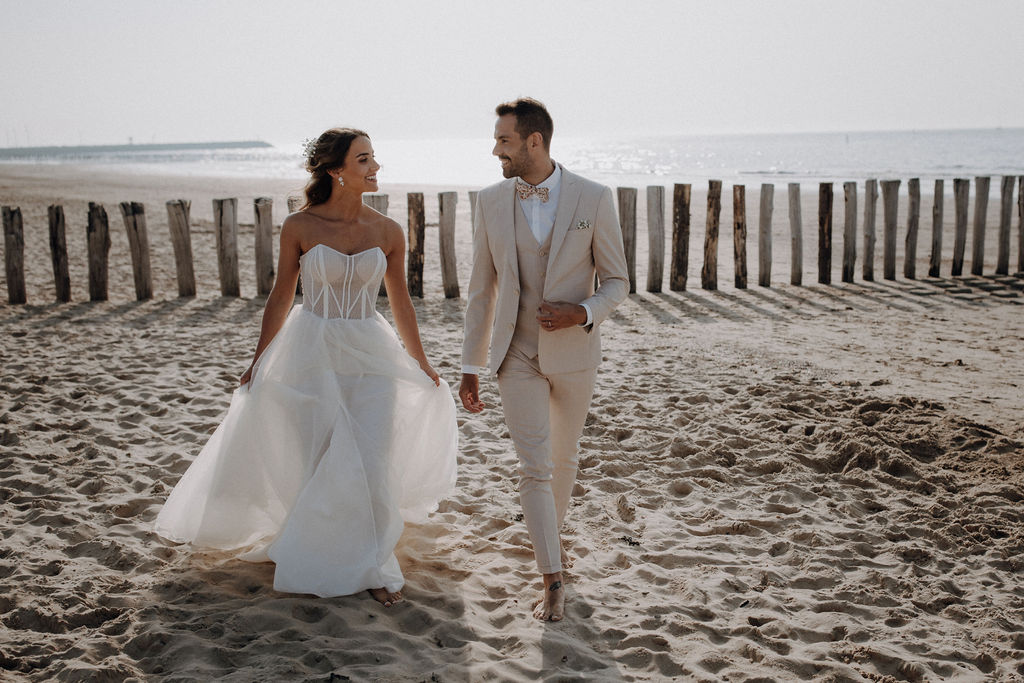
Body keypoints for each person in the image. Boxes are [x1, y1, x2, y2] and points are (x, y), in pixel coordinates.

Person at [154, 128, 458, 607]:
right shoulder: (300, 225)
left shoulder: (388, 231)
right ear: (337, 171)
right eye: (364, 159)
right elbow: (281, 295)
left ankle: (371, 562)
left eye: (374, 157)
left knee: (372, 460)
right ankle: (322, 547)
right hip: (310, 350)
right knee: (320, 459)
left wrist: (420, 360)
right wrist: (259, 359)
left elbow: (401, 301)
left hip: (371, 352)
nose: (375, 166)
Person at [459, 99, 629, 621]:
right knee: (534, 466)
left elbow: (617, 281)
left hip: (575, 353)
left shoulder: (594, 197)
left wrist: (583, 312)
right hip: (515, 353)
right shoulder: (489, 201)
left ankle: (549, 545)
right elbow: (482, 290)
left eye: (504, 140)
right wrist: (470, 364)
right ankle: (552, 578)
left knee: (564, 458)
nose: (496, 150)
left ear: (534, 141)